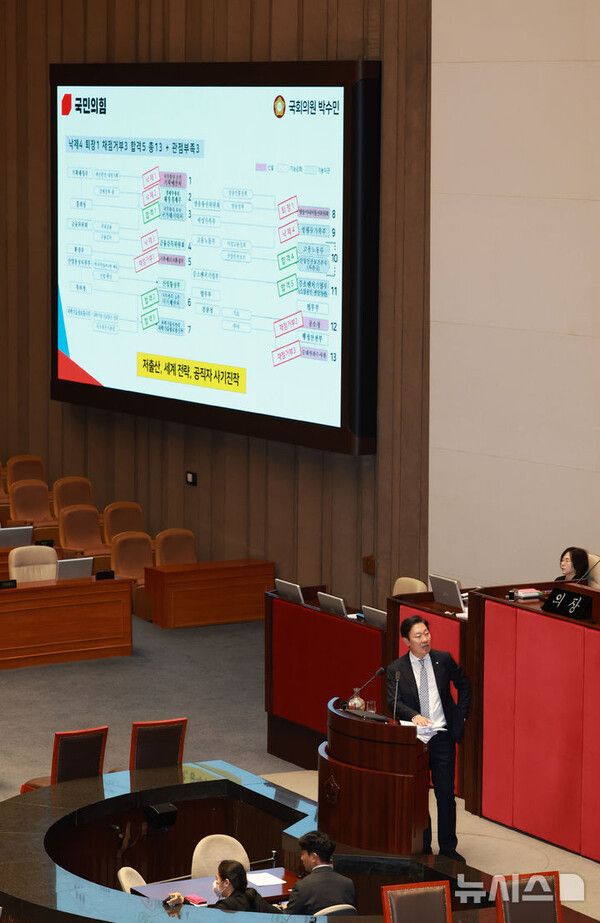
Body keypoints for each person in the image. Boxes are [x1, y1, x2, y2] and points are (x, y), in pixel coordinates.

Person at [386, 615, 470, 862]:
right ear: (406, 641)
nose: (425, 640)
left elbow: (464, 684)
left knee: (446, 794)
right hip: (417, 740)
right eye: (418, 636)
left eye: (426, 634)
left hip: (442, 735)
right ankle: (422, 845)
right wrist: (413, 716)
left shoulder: (443, 659)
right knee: (419, 796)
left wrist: (461, 717)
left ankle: (448, 847)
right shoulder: (396, 669)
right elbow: (393, 702)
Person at [285, 830, 355, 915]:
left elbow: (287, 918)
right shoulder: (348, 883)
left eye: (303, 854)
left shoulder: (302, 887)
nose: (301, 858)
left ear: (314, 857)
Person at [212, 859, 282, 913]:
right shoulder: (253, 894)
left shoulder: (224, 907)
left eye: (217, 878)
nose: (216, 882)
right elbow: (279, 915)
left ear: (226, 883)